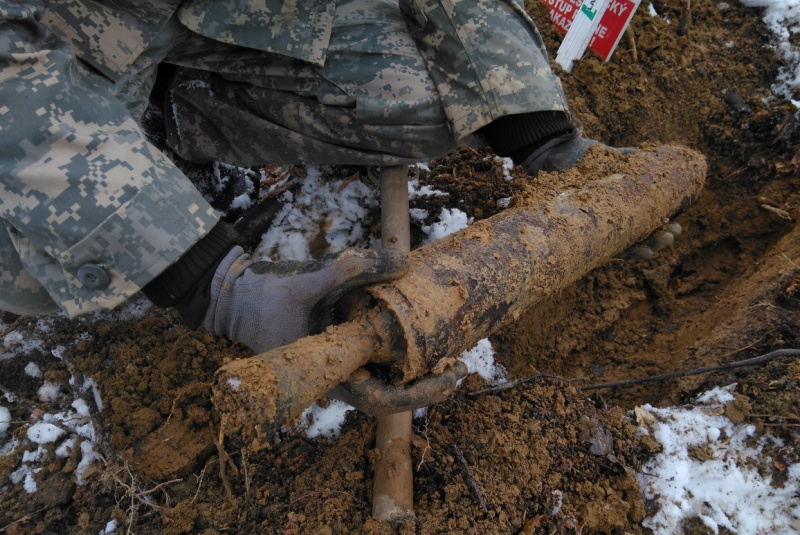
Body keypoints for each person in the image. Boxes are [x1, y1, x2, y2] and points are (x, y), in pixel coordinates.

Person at [0, 0, 629, 354]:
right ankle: (120, 143)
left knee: (429, 99)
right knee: (28, 269)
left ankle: (169, 115)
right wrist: (208, 284)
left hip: (229, 13)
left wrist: (538, 132)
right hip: (56, 31)